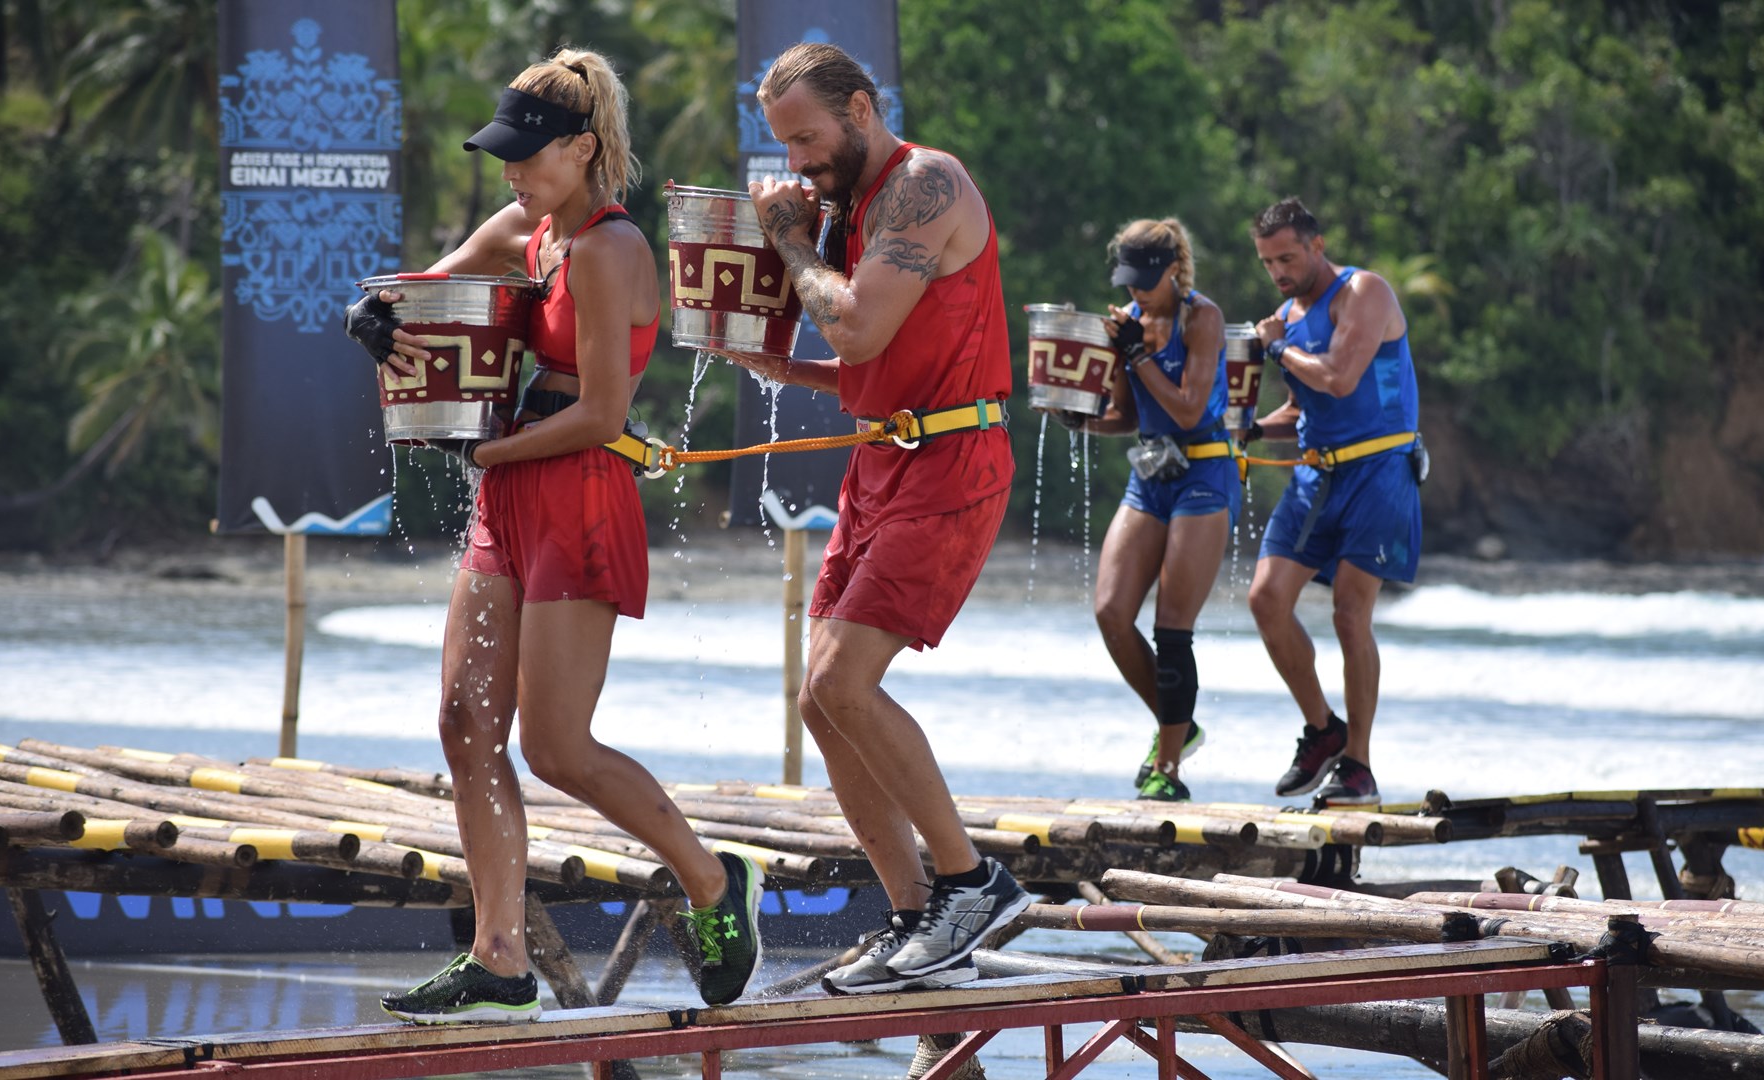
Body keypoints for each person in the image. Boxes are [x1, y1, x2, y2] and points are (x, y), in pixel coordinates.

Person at [342, 49, 763, 1023]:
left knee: (559, 748)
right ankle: (498, 960)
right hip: (514, 489)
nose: (512, 174)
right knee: (462, 722)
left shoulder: (615, 250)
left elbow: (607, 409)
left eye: (529, 158)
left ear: (581, 150)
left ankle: (712, 880)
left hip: (576, 482)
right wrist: (380, 312)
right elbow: (428, 289)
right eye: (504, 157)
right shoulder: (527, 231)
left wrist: (493, 456)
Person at [709, 41, 1029, 995]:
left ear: (860, 107)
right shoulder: (849, 205)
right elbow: (868, 356)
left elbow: (855, 323)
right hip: (881, 457)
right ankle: (910, 912)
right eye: (785, 143)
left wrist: (791, 243)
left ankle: (975, 885)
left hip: (953, 460)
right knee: (819, 698)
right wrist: (783, 369)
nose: (798, 161)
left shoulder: (925, 185)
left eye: (807, 137)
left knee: (847, 683)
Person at [1246, 197, 1422, 809]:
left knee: (1351, 614)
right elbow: (1301, 407)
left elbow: (1340, 377)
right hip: (1316, 477)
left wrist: (1275, 348)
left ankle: (1359, 766)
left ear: (1317, 245)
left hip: (1380, 472)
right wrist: (1245, 430)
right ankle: (1323, 729)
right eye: (1268, 261)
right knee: (1265, 599)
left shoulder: (1364, 292)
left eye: (1288, 257)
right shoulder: (1287, 316)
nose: (1279, 272)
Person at [1062, 219, 1239, 802]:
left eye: (1145, 281)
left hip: (1205, 473)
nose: (1136, 292)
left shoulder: (1200, 317)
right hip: (1152, 477)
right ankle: (1180, 726)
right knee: (1112, 613)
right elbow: (1128, 414)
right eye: (1127, 280)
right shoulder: (1131, 324)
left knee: (1171, 629)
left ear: (1173, 271)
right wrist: (1080, 417)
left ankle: (1168, 768)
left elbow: (1188, 411)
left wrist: (1136, 354)